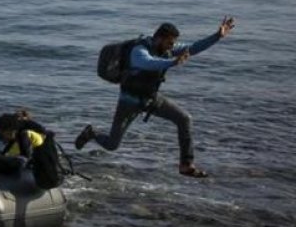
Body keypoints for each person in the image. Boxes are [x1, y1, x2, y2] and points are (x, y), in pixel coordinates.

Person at [76, 17, 235, 177]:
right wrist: (172, 62)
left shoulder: (166, 49)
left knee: (184, 119)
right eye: (170, 42)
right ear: (159, 39)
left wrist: (217, 36)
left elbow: (192, 48)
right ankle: (91, 133)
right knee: (112, 145)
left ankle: (186, 165)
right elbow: (149, 63)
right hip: (129, 102)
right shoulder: (139, 50)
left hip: (151, 99)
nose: (172, 46)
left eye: (173, 43)